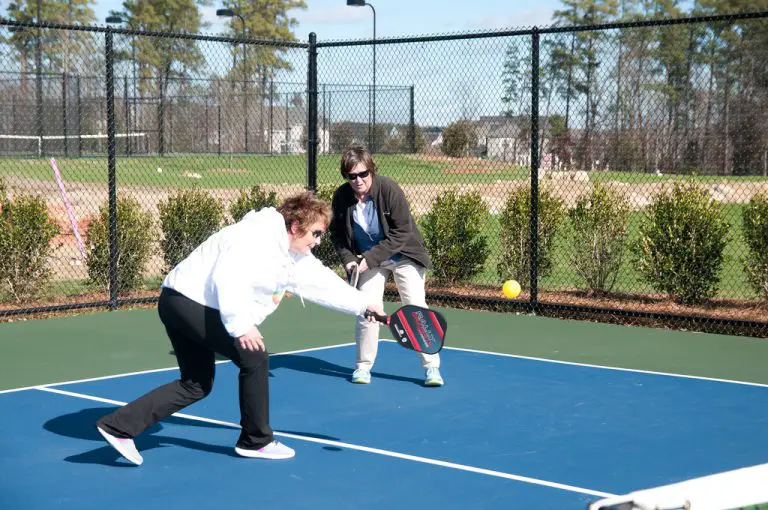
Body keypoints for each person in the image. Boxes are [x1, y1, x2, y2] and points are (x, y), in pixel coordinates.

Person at [96, 192, 384, 466]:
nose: (319, 241)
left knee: (196, 383)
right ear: (296, 226)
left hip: (180, 302)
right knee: (254, 357)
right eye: (316, 233)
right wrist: (241, 326)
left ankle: (119, 427)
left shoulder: (291, 254)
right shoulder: (255, 237)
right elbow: (229, 277)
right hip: (188, 302)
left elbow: (321, 282)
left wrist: (364, 305)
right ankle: (255, 440)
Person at [331, 146, 443, 387]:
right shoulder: (342, 197)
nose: (358, 180)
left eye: (363, 174)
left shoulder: (389, 189)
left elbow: (402, 232)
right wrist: (350, 260)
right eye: (352, 176)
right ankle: (363, 367)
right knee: (367, 309)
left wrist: (368, 260)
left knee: (415, 307)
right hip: (367, 260)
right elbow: (338, 235)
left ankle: (431, 366)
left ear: (372, 171)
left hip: (404, 255)